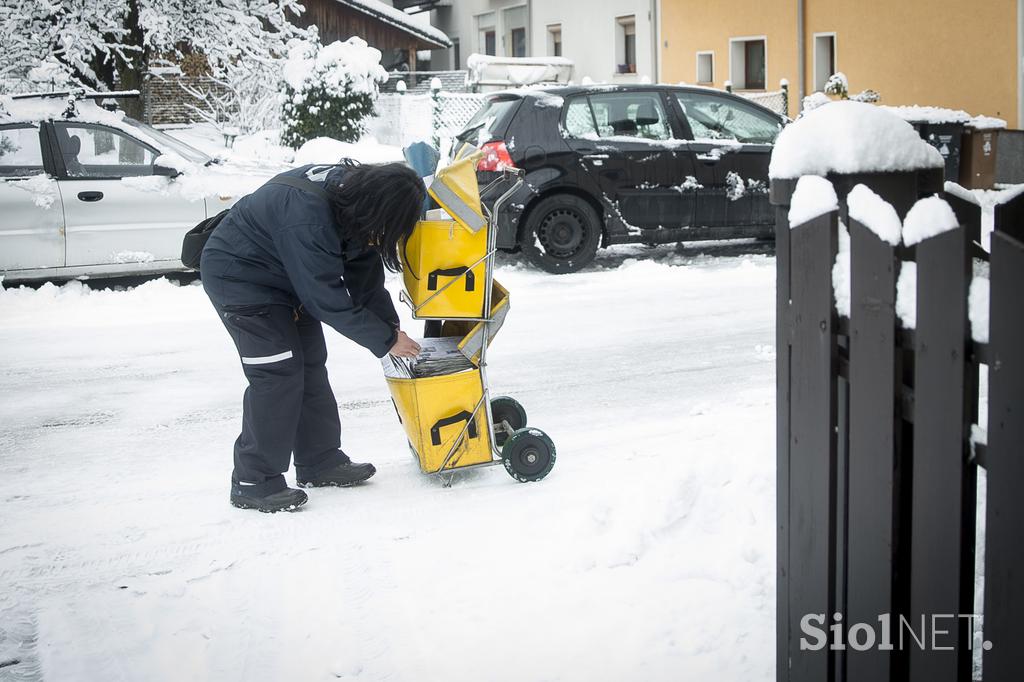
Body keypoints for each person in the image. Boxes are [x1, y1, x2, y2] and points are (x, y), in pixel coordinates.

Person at [201, 161, 424, 513]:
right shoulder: (308, 216)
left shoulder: (355, 202)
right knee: (277, 374)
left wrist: (390, 329)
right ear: (378, 206)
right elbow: (326, 298)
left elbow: (364, 276)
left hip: (287, 279)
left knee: (309, 365)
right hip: (241, 279)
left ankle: (319, 461)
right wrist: (383, 340)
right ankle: (253, 480)